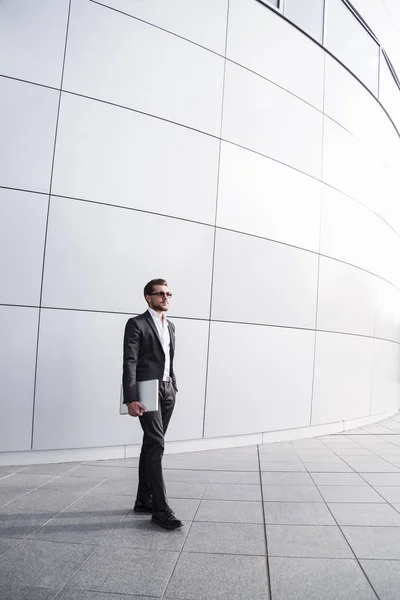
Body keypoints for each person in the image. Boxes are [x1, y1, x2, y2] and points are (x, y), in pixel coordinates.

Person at [122, 278, 183, 530]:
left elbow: (167, 359)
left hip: (167, 388)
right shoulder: (136, 324)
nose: (165, 297)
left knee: (150, 444)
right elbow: (130, 362)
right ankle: (160, 508)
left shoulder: (170, 326)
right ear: (148, 297)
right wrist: (131, 397)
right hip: (147, 390)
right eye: (160, 294)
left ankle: (143, 500)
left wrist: (173, 385)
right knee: (157, 444)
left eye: (168, 293)